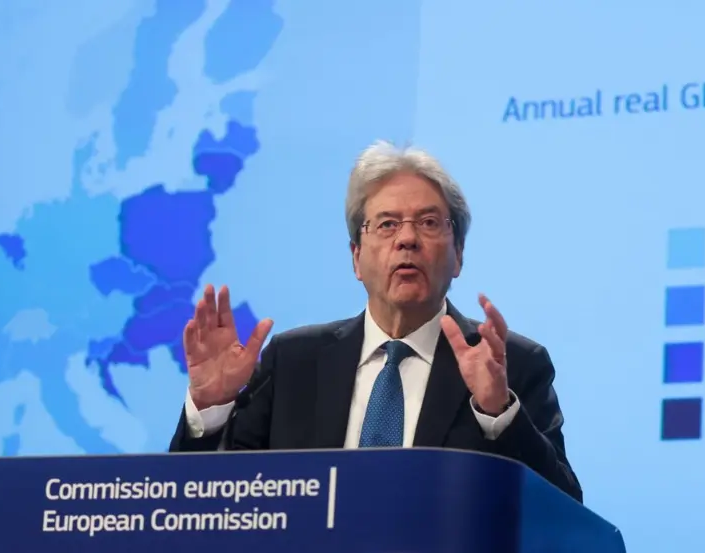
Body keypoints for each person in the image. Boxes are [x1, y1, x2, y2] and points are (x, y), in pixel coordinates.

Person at [168, 141, 582, 503]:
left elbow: (564, 514)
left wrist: (498, 412)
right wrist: (211, 408)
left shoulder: (511, 366)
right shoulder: (293, 362)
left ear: (458, 255)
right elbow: (211, 506)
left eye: (429, 223)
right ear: (356, 258)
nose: (407, 239)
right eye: (387, 224)